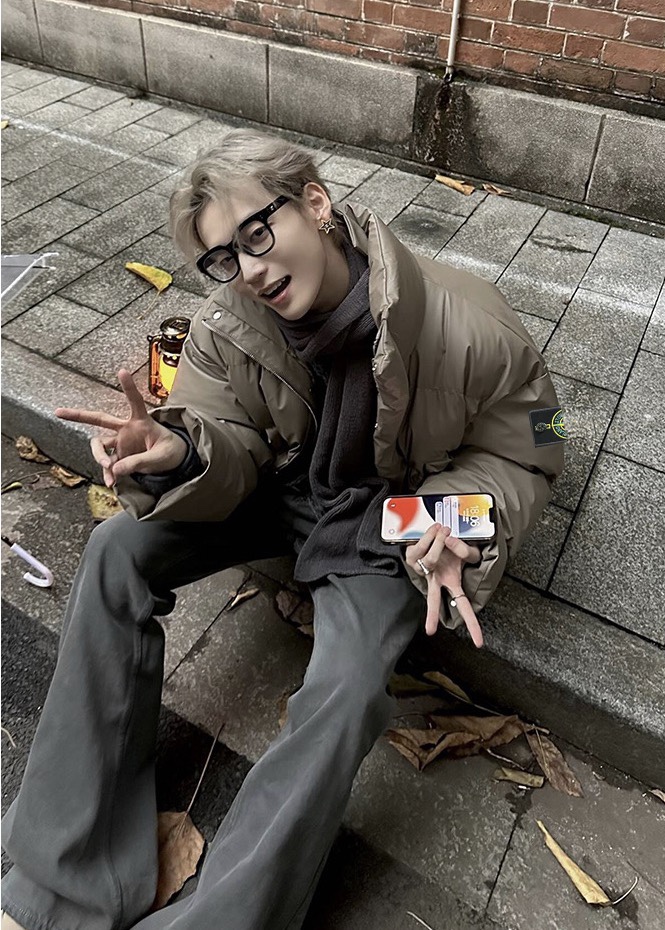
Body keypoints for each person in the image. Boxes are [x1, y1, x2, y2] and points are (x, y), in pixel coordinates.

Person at [1, 129, 564, 930]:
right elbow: (223, 436)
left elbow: (537, 445)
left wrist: (454, 519)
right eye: (224, 257)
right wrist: (178, 449)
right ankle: (60, 882)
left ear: (316, 203)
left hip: (386, 520)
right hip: (282, 488)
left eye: (257, 234)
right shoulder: (228, 323)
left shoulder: (470, 324)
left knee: (347, 686)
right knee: (115, 548)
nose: (251, 271)